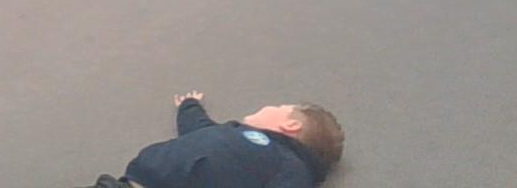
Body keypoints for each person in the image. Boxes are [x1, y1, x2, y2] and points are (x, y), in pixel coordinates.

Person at [74, 93, 344, 188]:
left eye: (280, 107)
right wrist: (189, 106)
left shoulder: (291, 166)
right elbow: (198, 128)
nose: (269, 105)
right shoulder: (229, 134)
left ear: (291, 125)